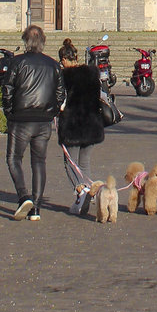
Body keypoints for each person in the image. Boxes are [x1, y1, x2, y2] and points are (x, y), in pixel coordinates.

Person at [1, 24, 65, 223]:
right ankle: (36, 208)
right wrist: (51, 112)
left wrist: (10, 112)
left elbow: (7, 89)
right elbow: (60, 93)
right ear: (43, 42)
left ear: (25, 42)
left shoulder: (17, 63)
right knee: (38, 161)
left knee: (13, 159)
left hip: (21, 119)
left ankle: (24, 196)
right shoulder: (53, 65)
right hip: (43, 120)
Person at [58, 61, 106, 215]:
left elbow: (61, 99)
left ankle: (81, 192)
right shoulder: (92, 74)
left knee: (70, 163)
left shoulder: (66, 76)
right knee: (84, 162)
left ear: (64, 60)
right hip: (91, 123)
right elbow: (102, 94)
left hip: (73, 125)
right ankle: (87, 194)